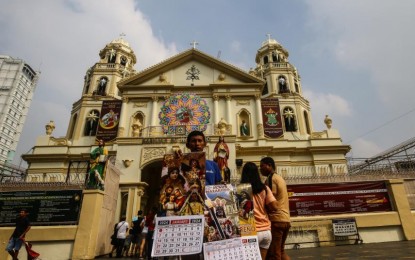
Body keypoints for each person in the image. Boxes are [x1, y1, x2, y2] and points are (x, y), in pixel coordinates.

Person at [241, 162, 279, 259]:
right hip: (266, 231)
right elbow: (275, 206)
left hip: (250, 232)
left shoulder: (240, 191)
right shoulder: (265, 188)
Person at [260, 157, 291, 260]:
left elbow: (270, 199)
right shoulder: (279, 178)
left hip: (277, 220)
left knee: (274, 254)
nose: (260, 169)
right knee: (281, 251)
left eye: (262, 166)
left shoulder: (271, 178)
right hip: (286, 219)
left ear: (269, 165)